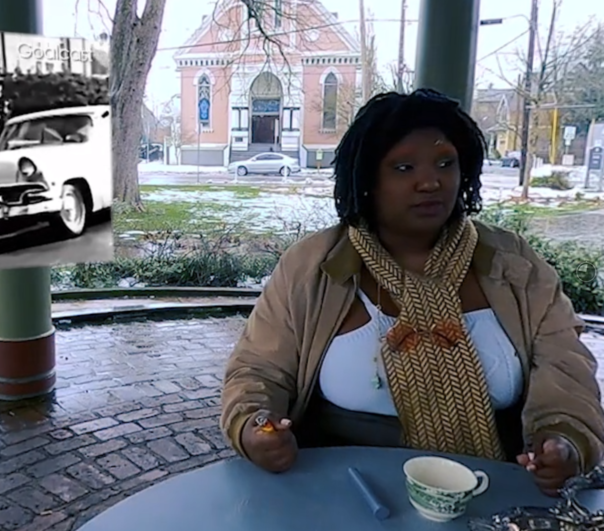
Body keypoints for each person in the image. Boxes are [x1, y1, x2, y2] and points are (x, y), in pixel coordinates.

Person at [220, 88, 604, 497]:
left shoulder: (514, 265)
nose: (430, 182)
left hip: (492, 488)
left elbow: (565, 367)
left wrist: (562, 439)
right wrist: (255, 427)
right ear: (367, 179)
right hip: (344, 491)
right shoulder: (312, 268)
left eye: (446, 163)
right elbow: (258, 370)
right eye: (403, 167)